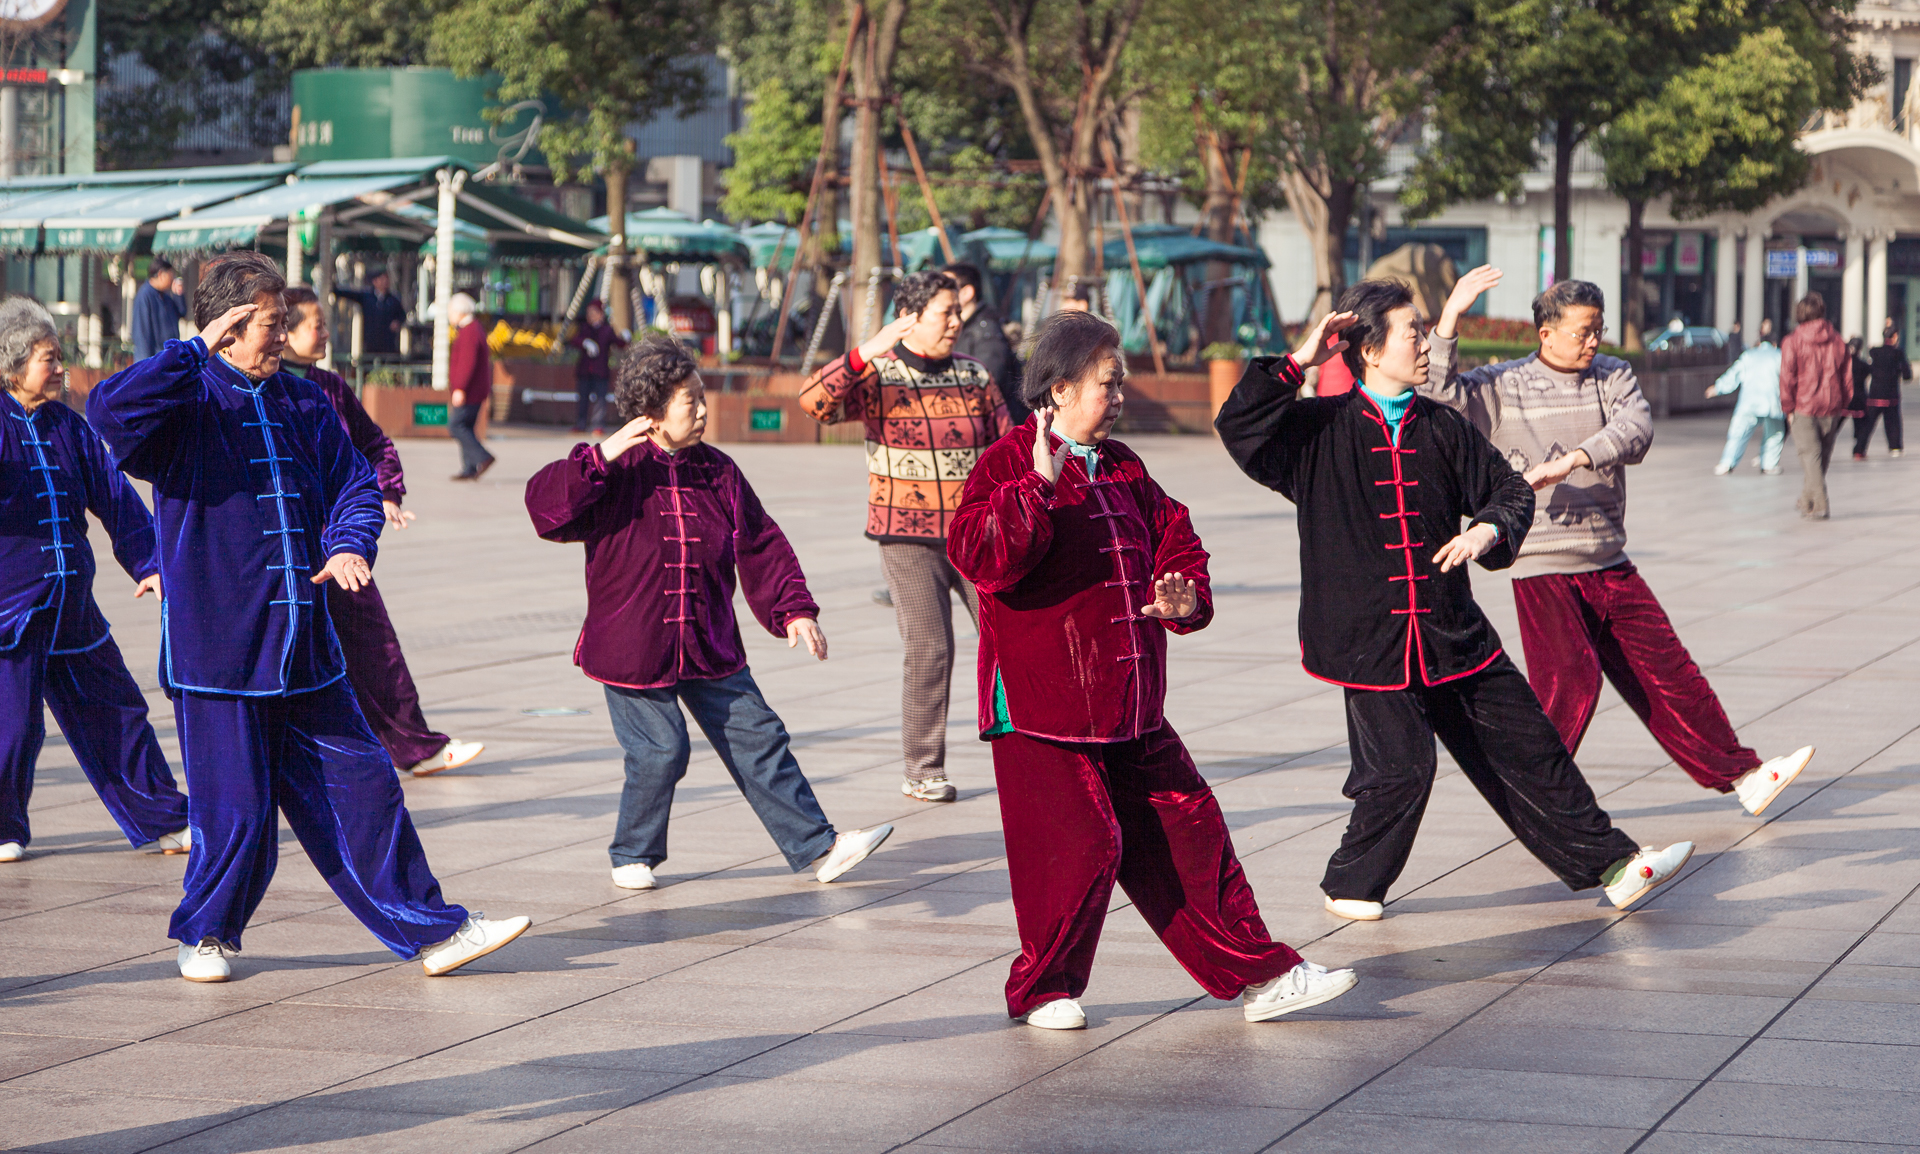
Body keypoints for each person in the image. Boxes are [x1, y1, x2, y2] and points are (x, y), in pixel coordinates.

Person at [87, 251, 527, 984]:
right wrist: (193, 349)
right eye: (269, 325)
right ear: (227, 327)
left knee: (368, 789)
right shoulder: (184, 403)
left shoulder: (303, 403)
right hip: (218, 654)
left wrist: (352, 542)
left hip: (307, 652)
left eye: (285, 323)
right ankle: (205, 933)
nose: (284, 338)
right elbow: (107, 412)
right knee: (240, 817)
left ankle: (435, 931)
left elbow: (356, 484)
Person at [1217, 278, 1695, 923]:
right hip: (1367, 642)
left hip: (1452, 632)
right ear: (1369, 350)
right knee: (1401, 771)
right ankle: (1352, 883)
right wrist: (1301, 361)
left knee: (1531, 747)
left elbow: (1511, 490)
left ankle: (1612, 865)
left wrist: (1488, 529)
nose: (1424, 345)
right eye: (1412, 334)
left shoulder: (1442, 426)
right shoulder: (1315, 432)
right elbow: (1238, 423)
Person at [948, 309, 1356, 1029]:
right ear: (1061, 390)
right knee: (1079, 848)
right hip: (1041, 707)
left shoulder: (1126, 465)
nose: (1121, 394)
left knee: (1191, 832)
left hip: (1129, 700)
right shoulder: (1008, 463)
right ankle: (1041, 989)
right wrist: (1037, 489)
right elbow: (979, 556)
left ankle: (1263, 976)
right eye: (1109, 382)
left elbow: (1176, 536)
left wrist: (1182, 592)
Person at [1428, 271, 1815, 819]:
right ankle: (1532, 795)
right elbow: (1439, 400)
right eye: (1583, 330)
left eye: (1599, 329)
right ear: (1546, 333)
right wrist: (1450, 319)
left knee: (1671, 674)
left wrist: (1573, 460)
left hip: (1610, 558)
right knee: (1571, 683)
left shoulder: (1613, 374)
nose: (1593, 341)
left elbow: (1636, 429)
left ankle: (1742, 775)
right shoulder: (1505, 384)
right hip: (1543, 563)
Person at [526, 336, 894, 892]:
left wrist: (794, 609)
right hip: (632, 646)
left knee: (761, 736)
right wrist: (598, 458)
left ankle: (820, 848)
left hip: (709, 641)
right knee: (661, 751)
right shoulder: (614, 471)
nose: (702, 411)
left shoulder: (718, 471)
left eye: (703, 399)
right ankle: (633, 853)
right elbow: (545, 507)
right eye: (689, 402)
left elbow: (762, 542)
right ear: (651, 413)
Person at [798, 270, 1012, 804]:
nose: (957, 322)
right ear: (912, 318)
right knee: (930, 648)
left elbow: (1007, 446)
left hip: (972, 537)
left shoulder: (975, 376)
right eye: (946, 312)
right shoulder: (879, 375)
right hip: (906, 538)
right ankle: (923, 768)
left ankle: (1024, 747)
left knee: (1008, 637)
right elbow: (813, 403)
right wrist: (868, 349)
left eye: (959, 311)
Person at [0, 297, 189, 864]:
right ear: (12, 365)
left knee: (120, 713)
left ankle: (164, 817)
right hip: (12, 610)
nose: (61, 368)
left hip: (72, 606)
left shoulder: (70, 427)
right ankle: (4, 824)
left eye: (59, 358)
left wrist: (153, 562)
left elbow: (115, 498)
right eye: (48, 359)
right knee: (11, 731)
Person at [280, 287, 486, 777]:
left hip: (340, 546)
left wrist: (386, 490)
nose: (326, 333)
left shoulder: (329, 387)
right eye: (317, 324)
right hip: (280, 552)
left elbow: (374, 445)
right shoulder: (246, 391)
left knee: (375, 645)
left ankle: (417, 748)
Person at [1778, 292, 1850, 520]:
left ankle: (1819, 504)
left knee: (1811, 456)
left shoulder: (1792, 341)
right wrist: (1844, 402)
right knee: (1821, 458)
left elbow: (1787, 377)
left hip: (1804, 406)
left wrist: (1787, 407)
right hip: (1831, 405)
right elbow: (1846, 376)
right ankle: (1807, 500)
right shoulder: (1837, 340)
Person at [943, 262, 1028, 426]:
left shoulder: (987, 332)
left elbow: (984, 385)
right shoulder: (969, 326)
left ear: (967, 292)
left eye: (948, 287)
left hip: (993, 428)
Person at [1707, 317, 1785, 475]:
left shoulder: (1748, 355)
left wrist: (1717, 387)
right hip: (1772, 402)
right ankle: (1769, 464)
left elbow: (1734, 374)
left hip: (1748, 402)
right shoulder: (1779, 356)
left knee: (1738, 433)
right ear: (1774, 343)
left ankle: (1726, 463)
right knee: (1775, 433)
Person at [447, 292, 496, 482]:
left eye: (451, 311)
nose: (449, 315)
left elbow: (467, 363)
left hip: (470, 391)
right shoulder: (473, 329)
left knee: (456, 425)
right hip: (473, 391)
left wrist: (460, 388)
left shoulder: (469, 332)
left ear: (459, 312)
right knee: (466, 426)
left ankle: (483, 457)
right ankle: (469, 467)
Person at [568, 299, 627, 435]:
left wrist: (625, 338)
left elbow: (618, 343)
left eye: (594, 313)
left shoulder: (606, 330)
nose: (591, 316)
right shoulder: (584, 328)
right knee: (582, 398)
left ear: (600, 314)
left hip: (600, 371)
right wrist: (584, 342)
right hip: (585, 370)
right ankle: (580, 423)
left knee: (600, 399)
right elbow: (573, 340)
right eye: (589, 313)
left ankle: (598, 424)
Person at [1853, 326, 1908, 459]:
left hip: (1875, 394)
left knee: (1868, 424)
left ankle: (1859, 450)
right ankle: (1895, 447)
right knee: (1893, 422)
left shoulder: (1874, 352)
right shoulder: (1898, 353)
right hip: (1891, 395)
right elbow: (1907, 375)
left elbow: (1870, 369)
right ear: (1894, 337)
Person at [333, 268, 408, 357]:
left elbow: (402, 315)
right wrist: (335, 290)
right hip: (370, 342)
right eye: (382, 279)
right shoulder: (367, 297)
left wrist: (397, 322)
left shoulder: (393, 300)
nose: (385, 282)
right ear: (375, 281)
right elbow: (351, 294)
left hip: (388, 343)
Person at [131, 257, 187, 362]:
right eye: (171, 275)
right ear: (161, 274)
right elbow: (142, 333)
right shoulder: (145, 295)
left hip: (168, 358)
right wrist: (146, 366)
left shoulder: (165, 296)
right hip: (154, 361)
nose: (173, 279)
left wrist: (178, 295)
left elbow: (181, 312)